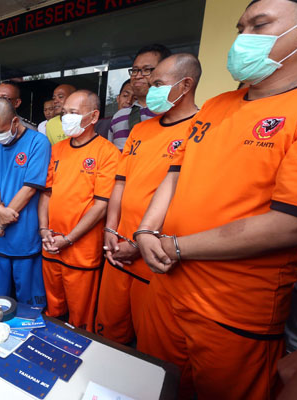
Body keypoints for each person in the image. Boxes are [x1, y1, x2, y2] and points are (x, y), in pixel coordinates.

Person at [134, 1, 297, 398]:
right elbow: (175, 173)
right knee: (156, 386)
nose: (242, 40)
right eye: (240, 28)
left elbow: (293, 222)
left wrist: (177, 246)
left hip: (233, 307)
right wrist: (146, 229)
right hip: (166, 287)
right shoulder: (217, 106)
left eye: (259, 25)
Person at [95, 54, 201, 345]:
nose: (149, 89)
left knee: (152, 346)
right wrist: (110, 231)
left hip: (156, 259)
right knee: (108, 336)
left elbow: (187, 197)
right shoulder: (140, 130)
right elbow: (120, 183)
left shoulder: (203, 129)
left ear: (185, 84)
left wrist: (140, 243)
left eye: (157, 83)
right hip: (117, 251)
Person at [39, 90, 119, 332]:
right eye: (64, 113)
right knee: (52, 310)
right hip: (51, 244)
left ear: (93, 116)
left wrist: (70, 239)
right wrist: (43, 229)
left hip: (80, 252)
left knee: (80, 320)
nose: (66, 119)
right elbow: (46, 193)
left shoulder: (108, 153)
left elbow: (101, 205)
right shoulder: (58, 149)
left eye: (73, 113)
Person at [0, 98, 51, 307]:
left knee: (28, 301)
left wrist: (2, 221)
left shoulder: (38, 142)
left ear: (14, 122)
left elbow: (31, 187)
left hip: (23, 230)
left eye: (0, 130)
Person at [108, 44, 172, 151]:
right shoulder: (119, 116)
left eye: (146, 70)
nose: (137, 76)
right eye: (135, 70)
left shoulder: (172, 113)